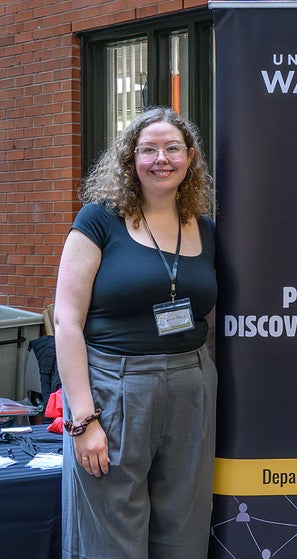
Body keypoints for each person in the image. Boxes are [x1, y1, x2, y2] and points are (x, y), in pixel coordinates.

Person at [54, 106, 218, 558]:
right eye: (148, 149)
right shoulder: (98, 220)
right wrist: (83, 420)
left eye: (172, 148)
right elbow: (66, 321)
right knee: (110, 537)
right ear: (130, 160)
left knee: (184, 533)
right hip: (114, 387)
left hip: (191, 385)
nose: (161, 159)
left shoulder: (205, 228)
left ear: (190, 159)